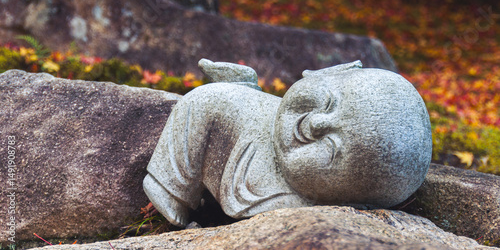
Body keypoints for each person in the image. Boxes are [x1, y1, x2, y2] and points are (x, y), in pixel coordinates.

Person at [144, 59, 432, 227]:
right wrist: (244, 86)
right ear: (328, 72)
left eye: (331, 149)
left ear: (344, 199)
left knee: (208, 102)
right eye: (328, 103)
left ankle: (180, 202)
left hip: (256, 177)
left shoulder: (291, 204)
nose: (316, 124)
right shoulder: (277, 111)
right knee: (202, 101)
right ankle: (173, 193)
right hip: (233, 114)